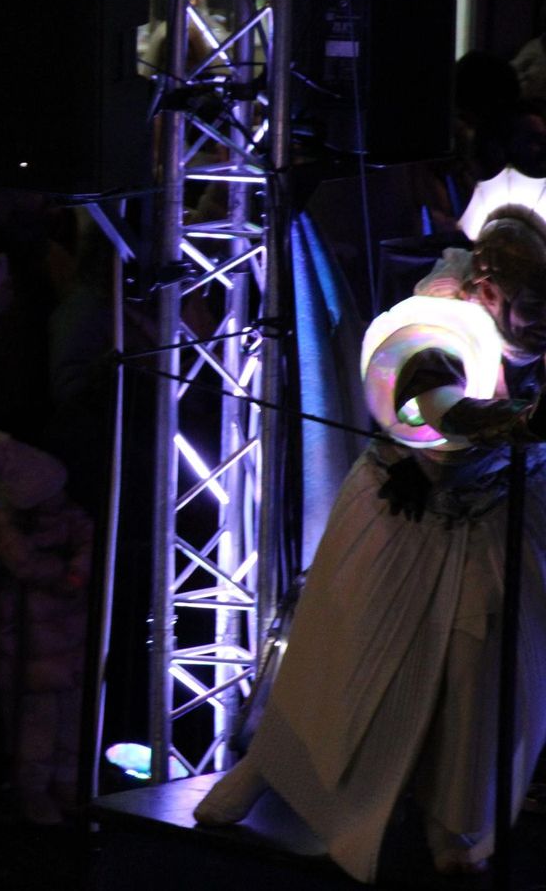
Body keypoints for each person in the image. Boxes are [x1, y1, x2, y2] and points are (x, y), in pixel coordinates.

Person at [194, 178, 546, 879]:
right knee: (343, 652)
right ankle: (267, 767)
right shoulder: (440, 315)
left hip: (498, 521)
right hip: (401, 513)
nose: (540, 323)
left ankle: (458, 827)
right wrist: (517, 422)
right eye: (532, 308)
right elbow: (434, 404)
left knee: (482, 673)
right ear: (487, 288)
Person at [0, 431, 92, 826]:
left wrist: (77, 572)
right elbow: (23, 563)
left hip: (69, 639)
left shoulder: (69, 516)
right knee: (34, 727)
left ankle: (68, 784)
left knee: (71, 720)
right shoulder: (6, 524)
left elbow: (91, 542)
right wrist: (62, 575)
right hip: (27, 646)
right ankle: (32, 793)